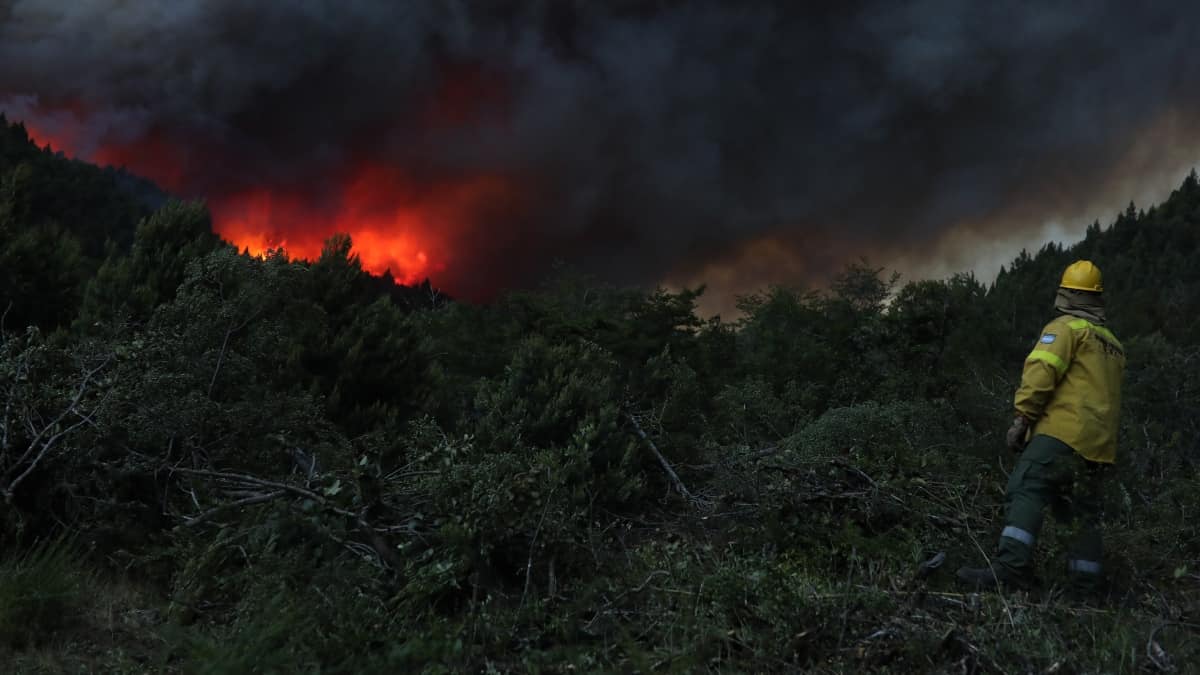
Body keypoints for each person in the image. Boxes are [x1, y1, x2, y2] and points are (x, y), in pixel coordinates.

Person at [957, 260, 1125, 592]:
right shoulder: (1114, 345)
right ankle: (1085, 592)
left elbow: (1041, 373)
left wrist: (1022, 419)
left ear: (1067, 294)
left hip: (1061, 434)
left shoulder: (1066, 328)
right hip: (1098, 448)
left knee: (1027, 487)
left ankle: (1011, 570)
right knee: (1082, 515)